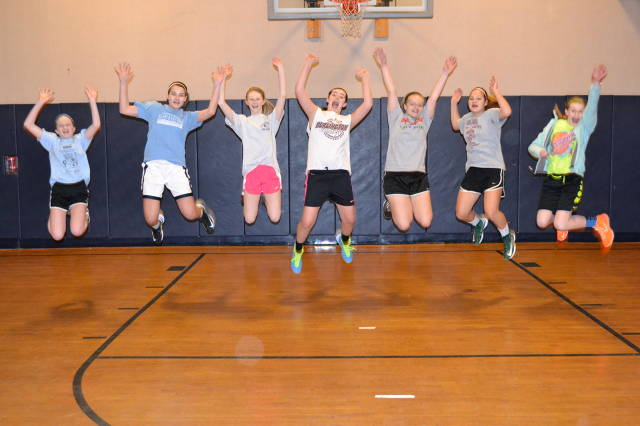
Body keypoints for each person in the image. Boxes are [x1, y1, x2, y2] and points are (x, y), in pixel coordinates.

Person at [115, 63, 221, 245]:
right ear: (167, 96)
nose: (177, 97)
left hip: (175, 169)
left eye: (181, 95)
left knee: (190, 214)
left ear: (185, 99)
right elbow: (124, 109)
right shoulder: (154, 109)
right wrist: (123, 82)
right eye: (173, 94)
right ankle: (157, 225)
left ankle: (201, 211)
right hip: (153, 168)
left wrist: (217, 84)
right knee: (150, 219)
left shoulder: (188, 118)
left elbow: (211, 111)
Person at [290, 53, 373, 274]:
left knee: (350, 220)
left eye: (341, 95)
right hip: (317, 175)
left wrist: (365, 78)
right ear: (328, 99)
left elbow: (367, 104)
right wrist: (307, 64)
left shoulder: (346, 120)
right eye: (334, 94)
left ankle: (344, 240)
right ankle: (298, 249)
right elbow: (299, 91)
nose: (337, 96)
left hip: (340, 175)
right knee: (307, 222)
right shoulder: (316, 115)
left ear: (344, 104)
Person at [528, 64, 613, 249]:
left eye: (580, 111)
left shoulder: (583, 128)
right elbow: (533, 146)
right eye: (573, 110)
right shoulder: (553, 125)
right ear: (566, 112)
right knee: (542, 222)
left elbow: (592, 107)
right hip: (552, 180)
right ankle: (564, 223)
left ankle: (598, 222)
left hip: (572, 179)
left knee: (560, 223)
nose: (577, 114)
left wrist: (595, 83)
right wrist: (541, 152)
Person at [373, 47, 456, 231]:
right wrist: (384, 65)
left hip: (418, 176)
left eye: (420, 105)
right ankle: (392, 203)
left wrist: (445, 74)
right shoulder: (396, 116)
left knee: (426, 222)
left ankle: (400, 203)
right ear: (405, 105)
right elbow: (392, 91)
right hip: (395, 176)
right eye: (412, 104)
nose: (416, 107)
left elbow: (433, 99)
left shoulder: (424, 120)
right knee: (404, 225)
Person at [450, 77, 516, 259]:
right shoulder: (466, 119)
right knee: (461, 213)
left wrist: (496, 92)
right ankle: (478, 223)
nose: (474, 100)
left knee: (491, 211)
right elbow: (455, 125)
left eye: (478, 98)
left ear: (485, 102)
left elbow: (507, 111)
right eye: (471, 98)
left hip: (493, 169)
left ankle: (507, 236)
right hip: (473, 170)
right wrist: (453, 103)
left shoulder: (492, 114)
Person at [23, 86, 100, 241]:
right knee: (57, 236)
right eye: (61, 125)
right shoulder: (52, 141)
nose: (65, 127)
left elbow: (96, 125)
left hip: (78, 188)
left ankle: (84, 213)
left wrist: (92, 100)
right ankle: (54, 215)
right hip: (59, 189)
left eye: (68, 124)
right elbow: (28, 125)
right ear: (56, 131)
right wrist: (41, 102)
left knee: (77, 231)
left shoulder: (81, 139)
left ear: (74, 128)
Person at [218, 58, 286, 224]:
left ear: (263, 101)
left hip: (270, 171)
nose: (255, 101)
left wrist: (280, 68)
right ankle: (257, 196)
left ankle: (267, 196)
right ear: (247, 102)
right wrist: (223, 79)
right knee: (249, 219)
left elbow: (283, 95)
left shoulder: (271, 120)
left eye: (257, 98)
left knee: (275, 217)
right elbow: (220, 102)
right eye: (251, 99)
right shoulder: (242, 122)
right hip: (251, 172)